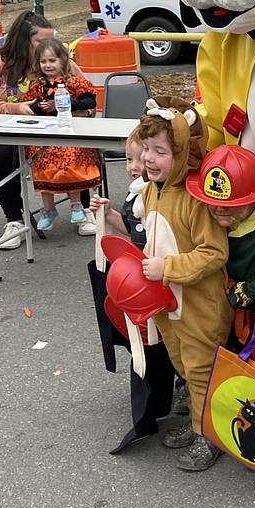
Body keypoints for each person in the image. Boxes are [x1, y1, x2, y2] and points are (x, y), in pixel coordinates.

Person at [135, 97, 233, 472]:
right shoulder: (150, 190)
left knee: (201, 369)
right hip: (168, 304)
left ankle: (210, 437)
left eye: (160, 151)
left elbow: (214, 253)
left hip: (198, 305)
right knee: (182, 364)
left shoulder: (195, 199)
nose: (148, 158)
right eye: (146, 148)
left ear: (182, 154)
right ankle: (198, 425)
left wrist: (168, 268)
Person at [91, 128, 183, 452]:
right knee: (152, 336)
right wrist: (108, 214)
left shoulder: (160, 193)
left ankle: (183, 385)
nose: (133, 165)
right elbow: (130, 230)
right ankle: (167, 385)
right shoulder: (137, 194)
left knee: (174, 334)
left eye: (138, 158)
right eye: (129, 159)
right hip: (141, 278)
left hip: (161, 276)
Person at [0, 11, 93, 248]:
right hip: (15, 135)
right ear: (23, 41)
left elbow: (88, 100)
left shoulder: (62, 63)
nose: (48, 48)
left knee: (79, 144)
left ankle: (84, 208)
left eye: (52, 40)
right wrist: (18, 108)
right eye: (40, 42)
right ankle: (14, 219)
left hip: (57, 131)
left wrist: (79, 109)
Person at [184, 142, 255, 348]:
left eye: (233, 205)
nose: (220, 209)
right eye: (213, 201)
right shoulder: (201, 217)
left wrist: (246, 291)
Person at [20, 37, 101, 234]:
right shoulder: (36, 86)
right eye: (43, 61)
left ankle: (76, 205)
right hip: (46, 136)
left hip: (69, 133)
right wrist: (41, 107)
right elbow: (31, 107)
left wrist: (62, 105)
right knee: (41, 161)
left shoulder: (74, 82)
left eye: (52, 60)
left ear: (63, 61)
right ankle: (48, 209)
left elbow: (90, 102)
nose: (48, 65)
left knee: (70, 157)